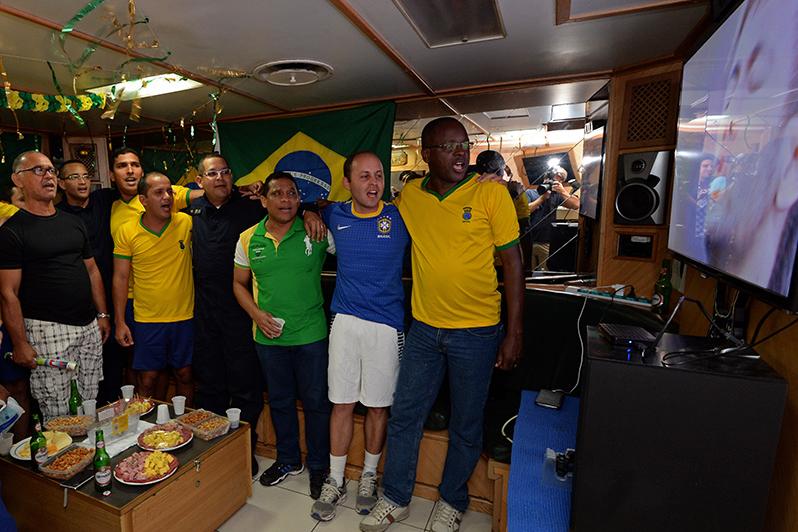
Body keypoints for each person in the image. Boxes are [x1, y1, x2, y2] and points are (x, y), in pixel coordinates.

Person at [361, 117, 523, 532]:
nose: (460, 153)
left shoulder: (490, 193)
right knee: (404, 416)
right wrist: (315, 211)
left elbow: (513, 263)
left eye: (464, 144)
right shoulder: (411, 196)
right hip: (424, 330)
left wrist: (514, 333)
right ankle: (395, 497)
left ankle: (452, 501)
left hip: (478, 331)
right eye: (448, 146)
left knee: (467, 424)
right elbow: (369, 209)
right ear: (427, 154)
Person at [310, 152, 410, 522]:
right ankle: (335, 480)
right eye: (364, 176)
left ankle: (368, 476)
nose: (373, 183)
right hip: (345, 323)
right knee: (341, 403)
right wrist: (308, 212)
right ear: (347, 183)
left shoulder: (401, 216)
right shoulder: (335, 215)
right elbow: (312, 208)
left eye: (379, 175)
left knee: (378, 406)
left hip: (386, 326)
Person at [233, 172, 333, 500]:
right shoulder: (248, 238)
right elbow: (238, 284)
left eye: (292, 193)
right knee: (279, 402)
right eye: (277, 194)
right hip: (269, 339)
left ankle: (319, 466)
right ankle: (289, 460)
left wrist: (313, 212)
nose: (286, 200)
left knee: (316, 403)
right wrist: (256, 315)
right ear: (264, 200)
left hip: (311, 336)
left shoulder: (316, 231)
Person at [0, 151, 110, 419]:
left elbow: (92, 270)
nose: (48, 176)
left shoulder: (73, 222)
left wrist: (102, 315)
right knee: (58, 412)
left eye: (51, 170)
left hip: (88, 327)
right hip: (47, 330)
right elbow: (8, 293)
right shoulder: (12, 231)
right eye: (39, 170)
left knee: (90, 402)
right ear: (18, 179)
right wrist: (20, 343)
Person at [188, 153, 267, 477]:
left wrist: (312, 214)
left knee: (246, 387)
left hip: (241, 313)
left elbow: (287, 208)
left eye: (225, 172)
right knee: (210, 387)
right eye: (212, 173)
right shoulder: (191, 212)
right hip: (205, 315)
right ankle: (212, 450)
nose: (220, 178)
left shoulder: (251, 207)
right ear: (200, 181)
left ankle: (243, 450)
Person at [109, 147, 202, 397]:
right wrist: (120, 321)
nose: (167, 197)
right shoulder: (127, 231)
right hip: (147, 318)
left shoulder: (186, 223)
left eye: (169, 191)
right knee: (147, 378)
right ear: (143, 200)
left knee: (185, 373)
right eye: (158, 193)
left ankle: (185, 418)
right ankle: (149, 422)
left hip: (184, 316)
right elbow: (120, 278)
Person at [56, 160, 122, 405]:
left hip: (113, 292)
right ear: (62, 183)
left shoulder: (103, 200)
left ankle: (113, 410)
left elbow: (137, 187)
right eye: (74, 177)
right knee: (85, 368)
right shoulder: (57, 215)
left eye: (85, 176)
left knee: (115, 360)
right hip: (80, 300)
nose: (83, 182)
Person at [527, 166, 579, 271]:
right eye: (550, 179)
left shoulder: (556, 196)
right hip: (528, 242)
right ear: (545, 178)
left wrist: (562, 191)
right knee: (528, 272)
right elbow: (526, 210)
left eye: (555, 181)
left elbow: (576, 205)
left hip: (546, 243)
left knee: (544, 273)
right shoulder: (530, 193)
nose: (550, 183)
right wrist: (542, 198)